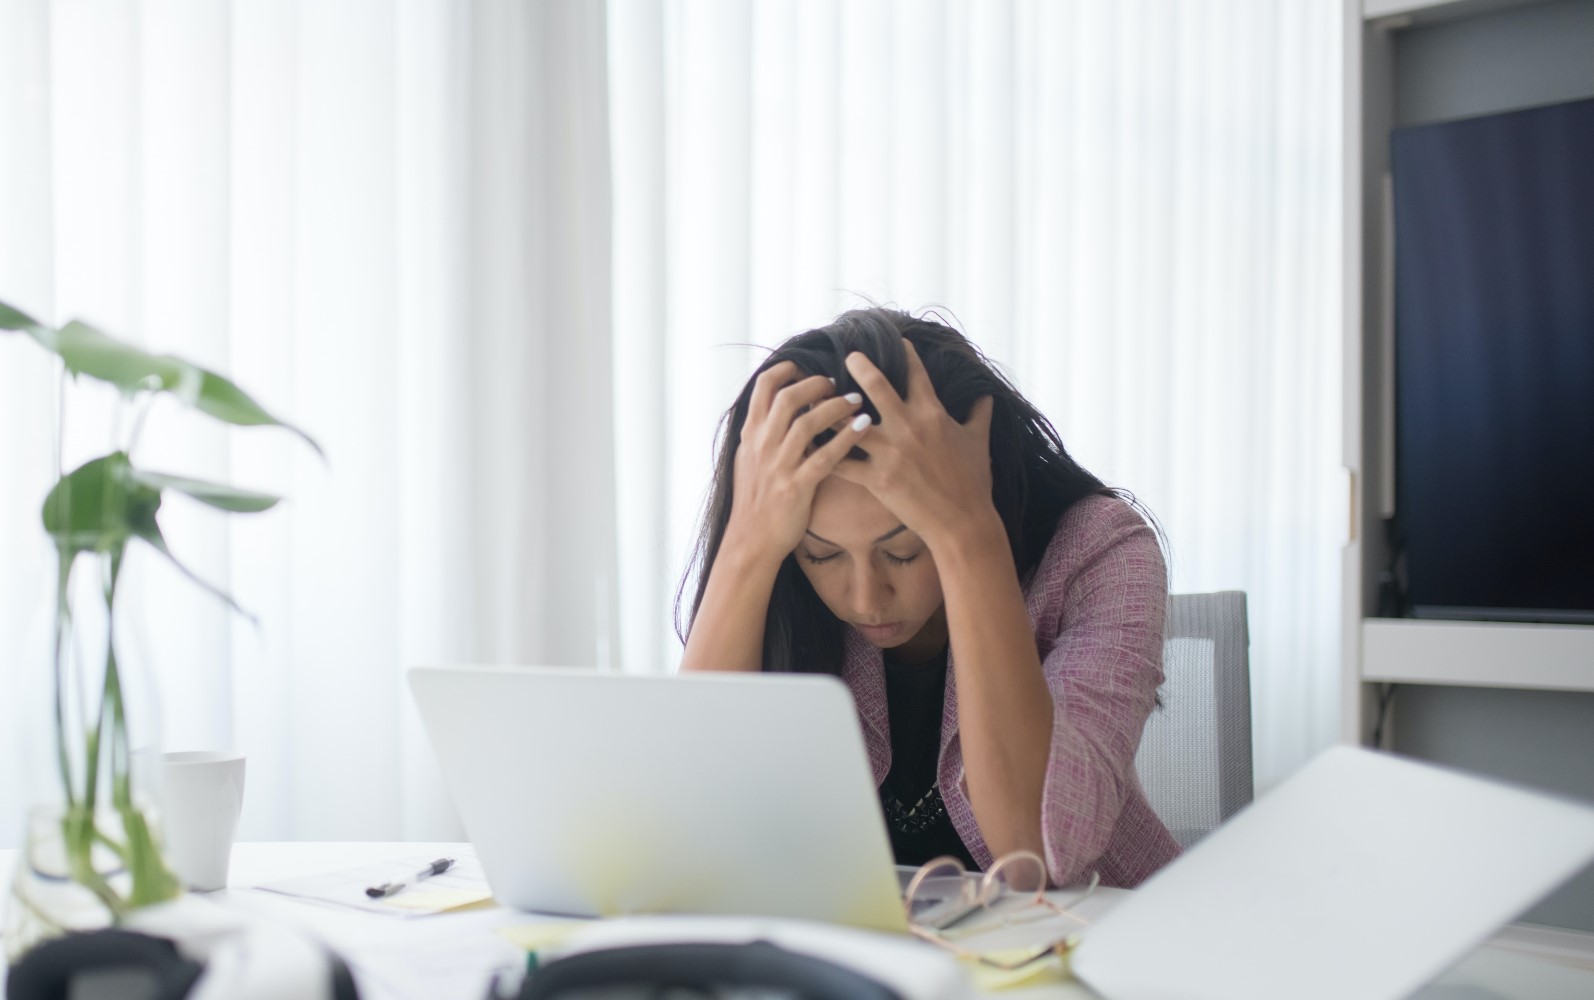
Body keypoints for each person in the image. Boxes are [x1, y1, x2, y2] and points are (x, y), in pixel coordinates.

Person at [678, 307, 1180, 888]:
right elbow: (694, 823)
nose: (867, 598)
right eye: (822, 554)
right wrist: (748, 546)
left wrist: (968, 534)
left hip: (1085, 952)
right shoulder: (779, 572)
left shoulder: (1101, 550)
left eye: (905, 551)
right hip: (864, 957)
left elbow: (1035, 855)